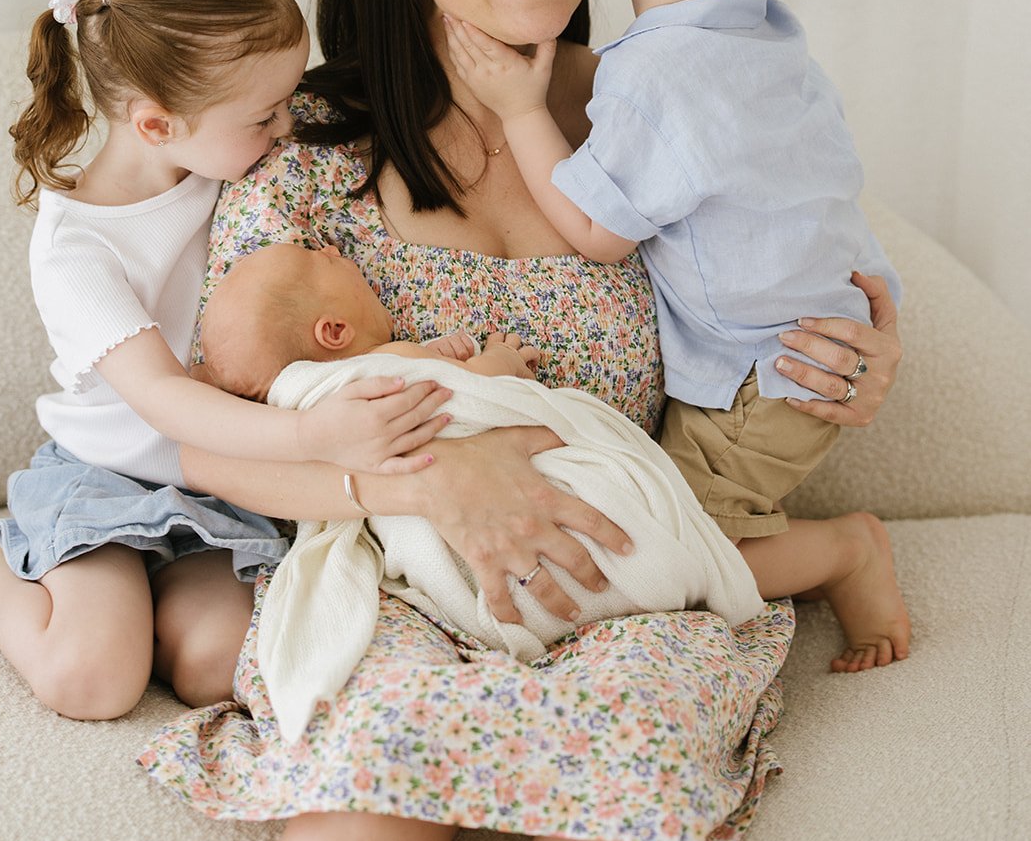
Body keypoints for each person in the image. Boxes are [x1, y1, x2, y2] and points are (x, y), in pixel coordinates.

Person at [136, 0, 903, 841]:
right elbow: (211, 444)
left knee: (624, 806)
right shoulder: (309, 157)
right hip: (409, 587)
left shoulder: (663, 111)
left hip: (631, 591)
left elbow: (800, 250)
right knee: (366, 789)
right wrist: (426, 472)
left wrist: (855, 352)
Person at [444, 0, 910, 674]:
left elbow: (594, 232)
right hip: (811, 342)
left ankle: (844, 552)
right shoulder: (763, 39)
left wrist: (520, 110)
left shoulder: (659, 75)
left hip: (760, 376)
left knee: (674, 556)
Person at [0, 0, 449, 721]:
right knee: (92, 682)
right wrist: (317, 438)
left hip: (213, 485)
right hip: (107, 474)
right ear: (156, 124)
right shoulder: (78, 249)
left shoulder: (226, 173)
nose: (285, 129)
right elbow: (165, 402)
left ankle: (149, 597)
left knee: (213, 669)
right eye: (264, 114)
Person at [198, 241, 764, 741]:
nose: (334, 252)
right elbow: (474, 391)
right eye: (322, 260)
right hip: (480, 528)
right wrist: (499, 361)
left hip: (461, 588)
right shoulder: (386, 366)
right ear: (335, 331)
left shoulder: (320, 390)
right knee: (649, 548)